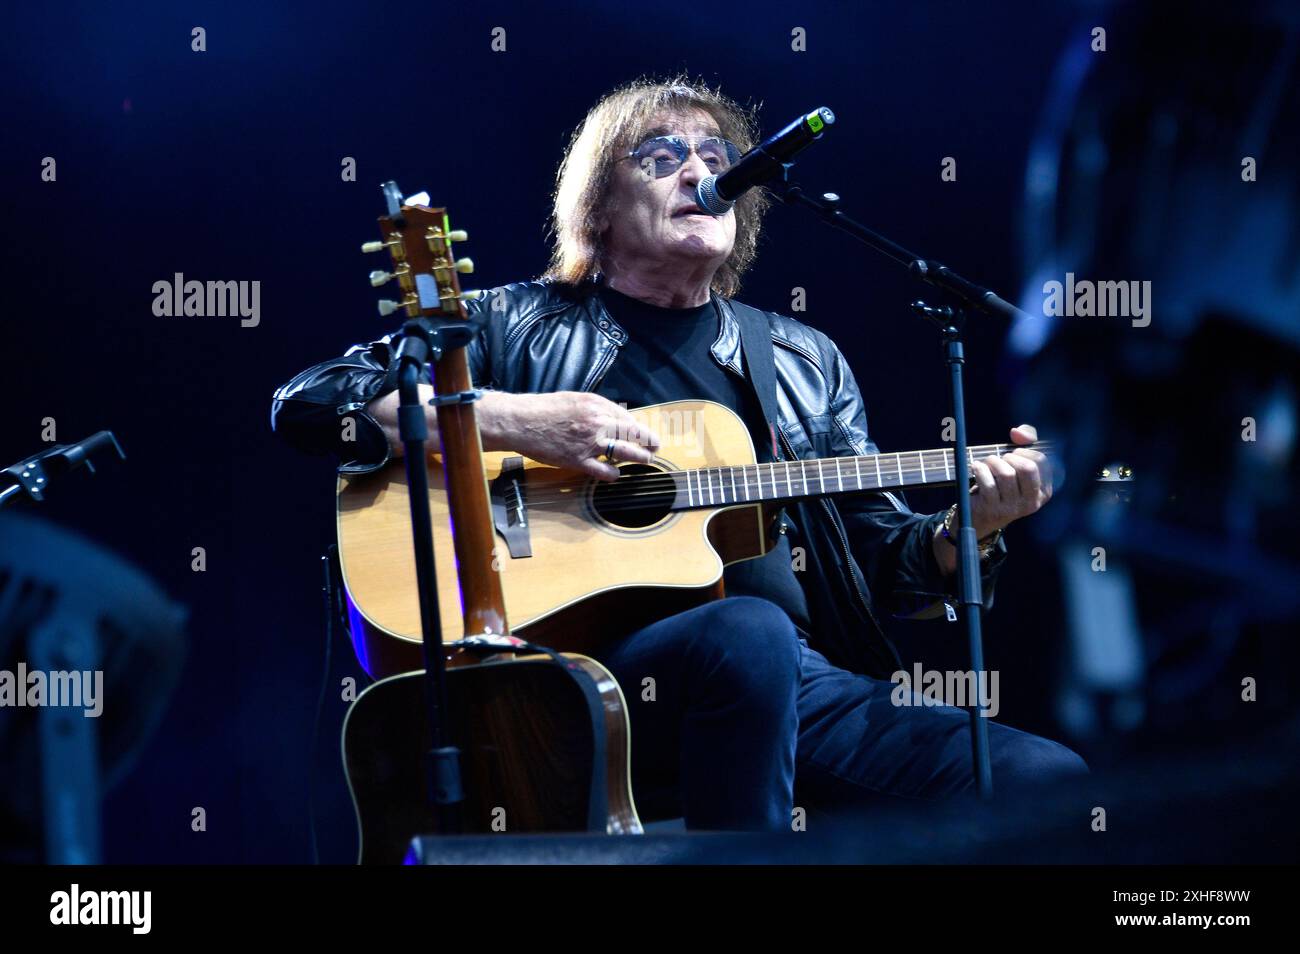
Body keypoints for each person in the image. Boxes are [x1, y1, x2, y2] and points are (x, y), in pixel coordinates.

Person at [272, 75, 1086, 831]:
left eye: (716, 159)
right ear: (598, 205)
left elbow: (879, 562)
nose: (698, 171)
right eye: (662, 157)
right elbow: (309, 407)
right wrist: (514, 420)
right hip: (566, 679)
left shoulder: (802, 360)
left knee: (1047, 781)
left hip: (792, 684)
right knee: (748, 633)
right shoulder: (507, 324)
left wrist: (970, 528)